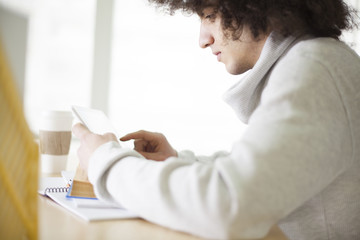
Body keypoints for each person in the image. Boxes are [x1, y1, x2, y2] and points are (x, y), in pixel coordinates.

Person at [72, 0, 360, 239]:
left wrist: (106, 163)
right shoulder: (320, 61)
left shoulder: (314, 69)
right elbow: (255, 174)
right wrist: (175, 162)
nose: (202, 39)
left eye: (210, 15)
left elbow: (227, 206)